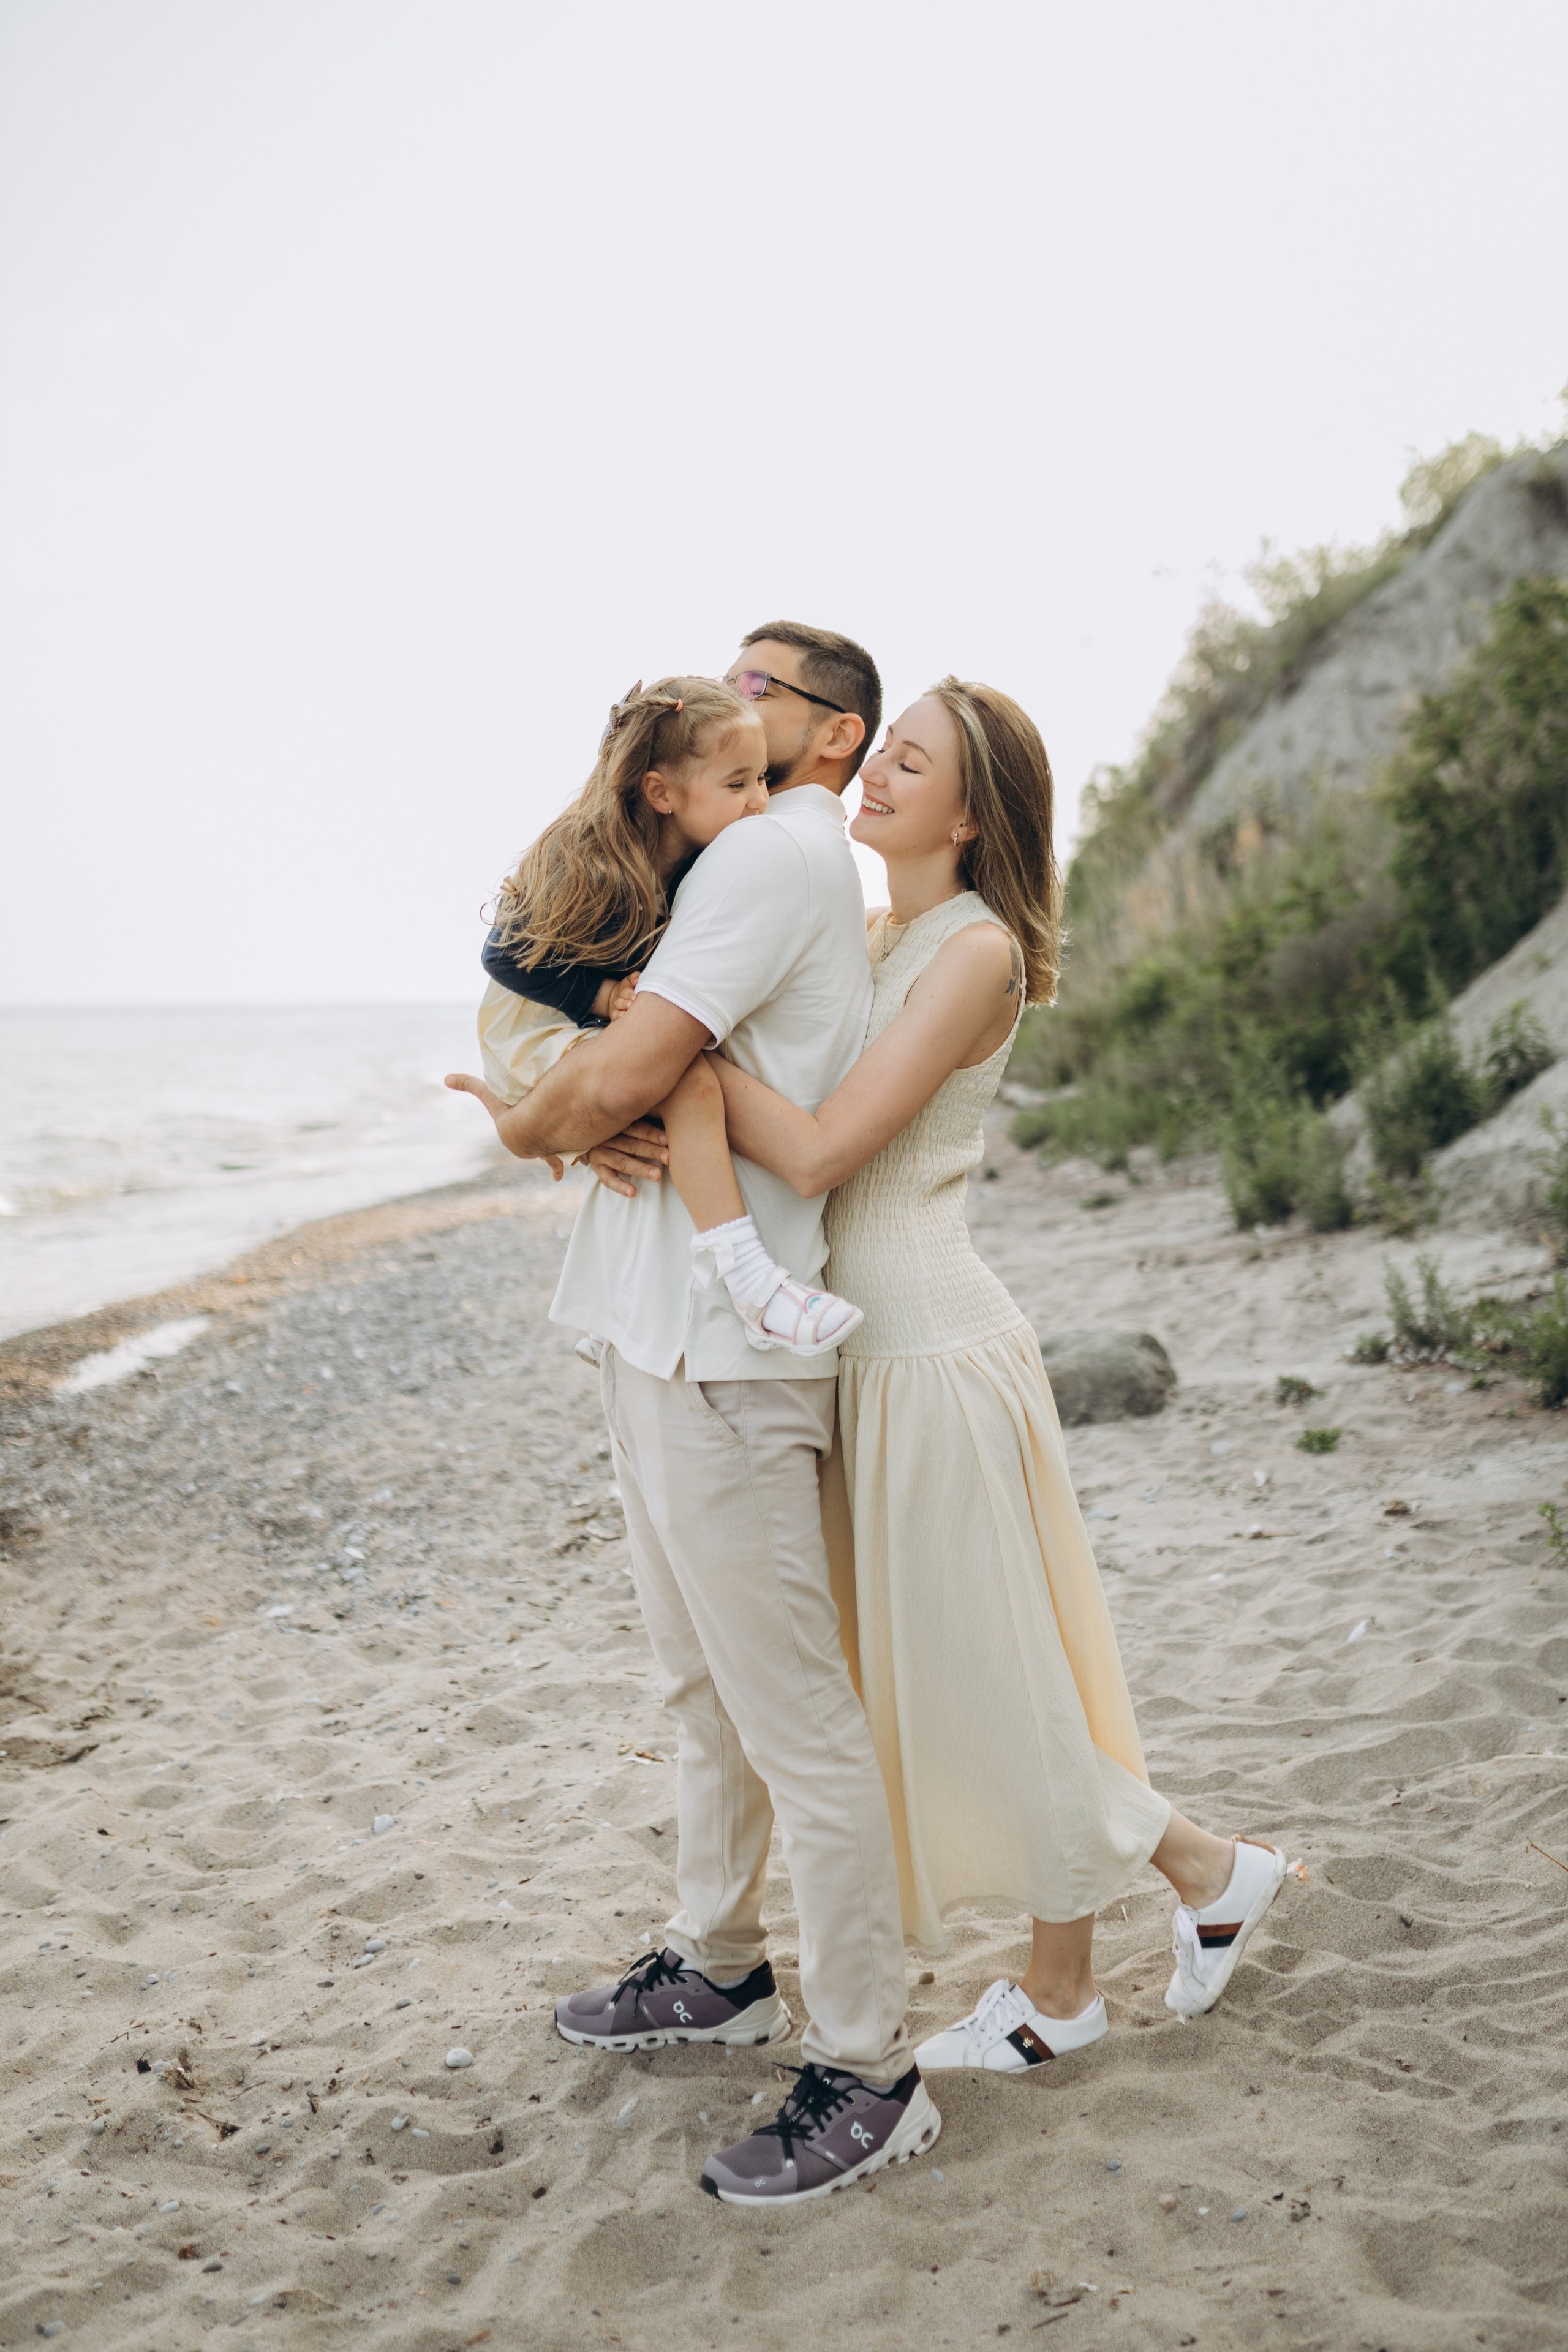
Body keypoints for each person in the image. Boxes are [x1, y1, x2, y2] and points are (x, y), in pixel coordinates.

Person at [655, 677, 1288, 2074]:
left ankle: (1101, 1958)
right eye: (881, 751)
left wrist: (672, 1060)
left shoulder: (970, 953)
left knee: (994, 1680)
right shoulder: (882, 929)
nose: (872, 772)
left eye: (910, 760)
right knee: (975, 1675)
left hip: (928, 1348)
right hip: (864, 1350)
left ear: (973, 807)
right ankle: (1185, 1889)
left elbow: (822, 1152)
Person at [447, 622, 944, 2206]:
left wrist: (545, 1125)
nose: (737, 705)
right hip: (652, 1332)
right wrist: (586, 1107)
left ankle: (871, 2064)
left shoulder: (772, 863)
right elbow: (623, 1057)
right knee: (698, 1689)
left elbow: (633, 1068)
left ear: (833, 737)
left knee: (797, 1718)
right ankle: (717, 1963)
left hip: (722, 1362)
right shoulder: (737, 861)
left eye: (763, 694)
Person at [454, 674, 862, 1357]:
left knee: (653, 1123)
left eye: (762, 779)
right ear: (661, 793)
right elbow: (502, 954)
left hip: (582, 1027)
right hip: (534, 1022)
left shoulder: (709, 853)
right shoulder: (592, 854)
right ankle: (753, 1283)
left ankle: (615, 1309)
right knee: (691, 1082)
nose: (760, 801)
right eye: (738, 785)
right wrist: (599, 997)